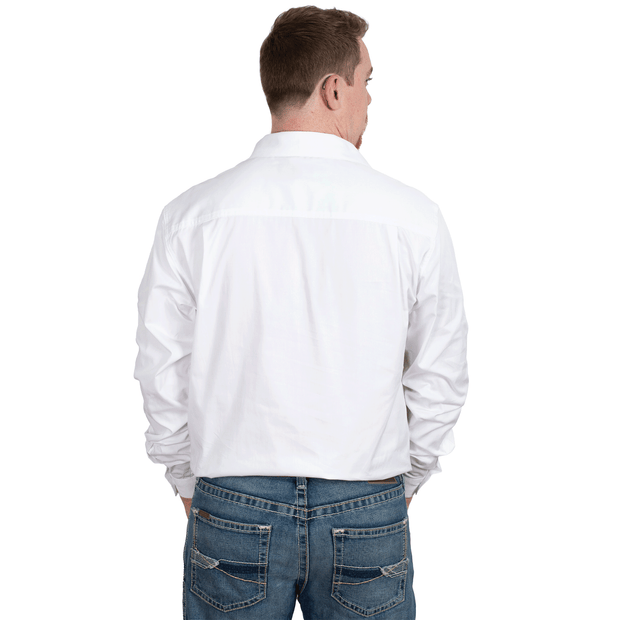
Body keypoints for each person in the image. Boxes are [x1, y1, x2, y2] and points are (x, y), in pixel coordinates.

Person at [133, 6, 468, 619]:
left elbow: (161, 367)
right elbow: (441, 371)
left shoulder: (192, 215)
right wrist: (403, 482)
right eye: (367, 81)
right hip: (366, 497)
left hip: (231, 497)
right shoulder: (412, 217)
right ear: (334, 89)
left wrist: (186, 479)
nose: (370, 99)